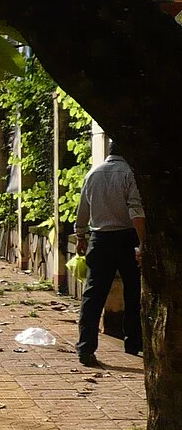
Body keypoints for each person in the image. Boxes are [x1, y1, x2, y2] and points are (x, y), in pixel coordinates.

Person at [74, 140, 145, 366]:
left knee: (93, 295)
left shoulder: (93, 174)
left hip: (100, 239)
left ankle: (86, 347)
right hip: (126, 238)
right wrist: (143, 244)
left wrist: (80, 235)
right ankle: (133, 343)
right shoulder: (129, 174)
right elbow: (136, 210)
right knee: (133, 292)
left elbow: (82, 208)